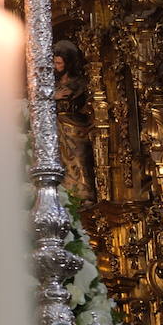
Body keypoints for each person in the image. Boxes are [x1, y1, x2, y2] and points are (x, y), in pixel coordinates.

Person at [53, 39, 96, 203]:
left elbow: (90, 104)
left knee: (79, 161)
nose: (56, 67)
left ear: (68, 63)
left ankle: (83, 196)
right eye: (55, 63)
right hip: (57, 128)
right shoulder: (52, 85)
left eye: (59, 63)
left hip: (77, 129)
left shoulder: (80, 83)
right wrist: (54, 96)